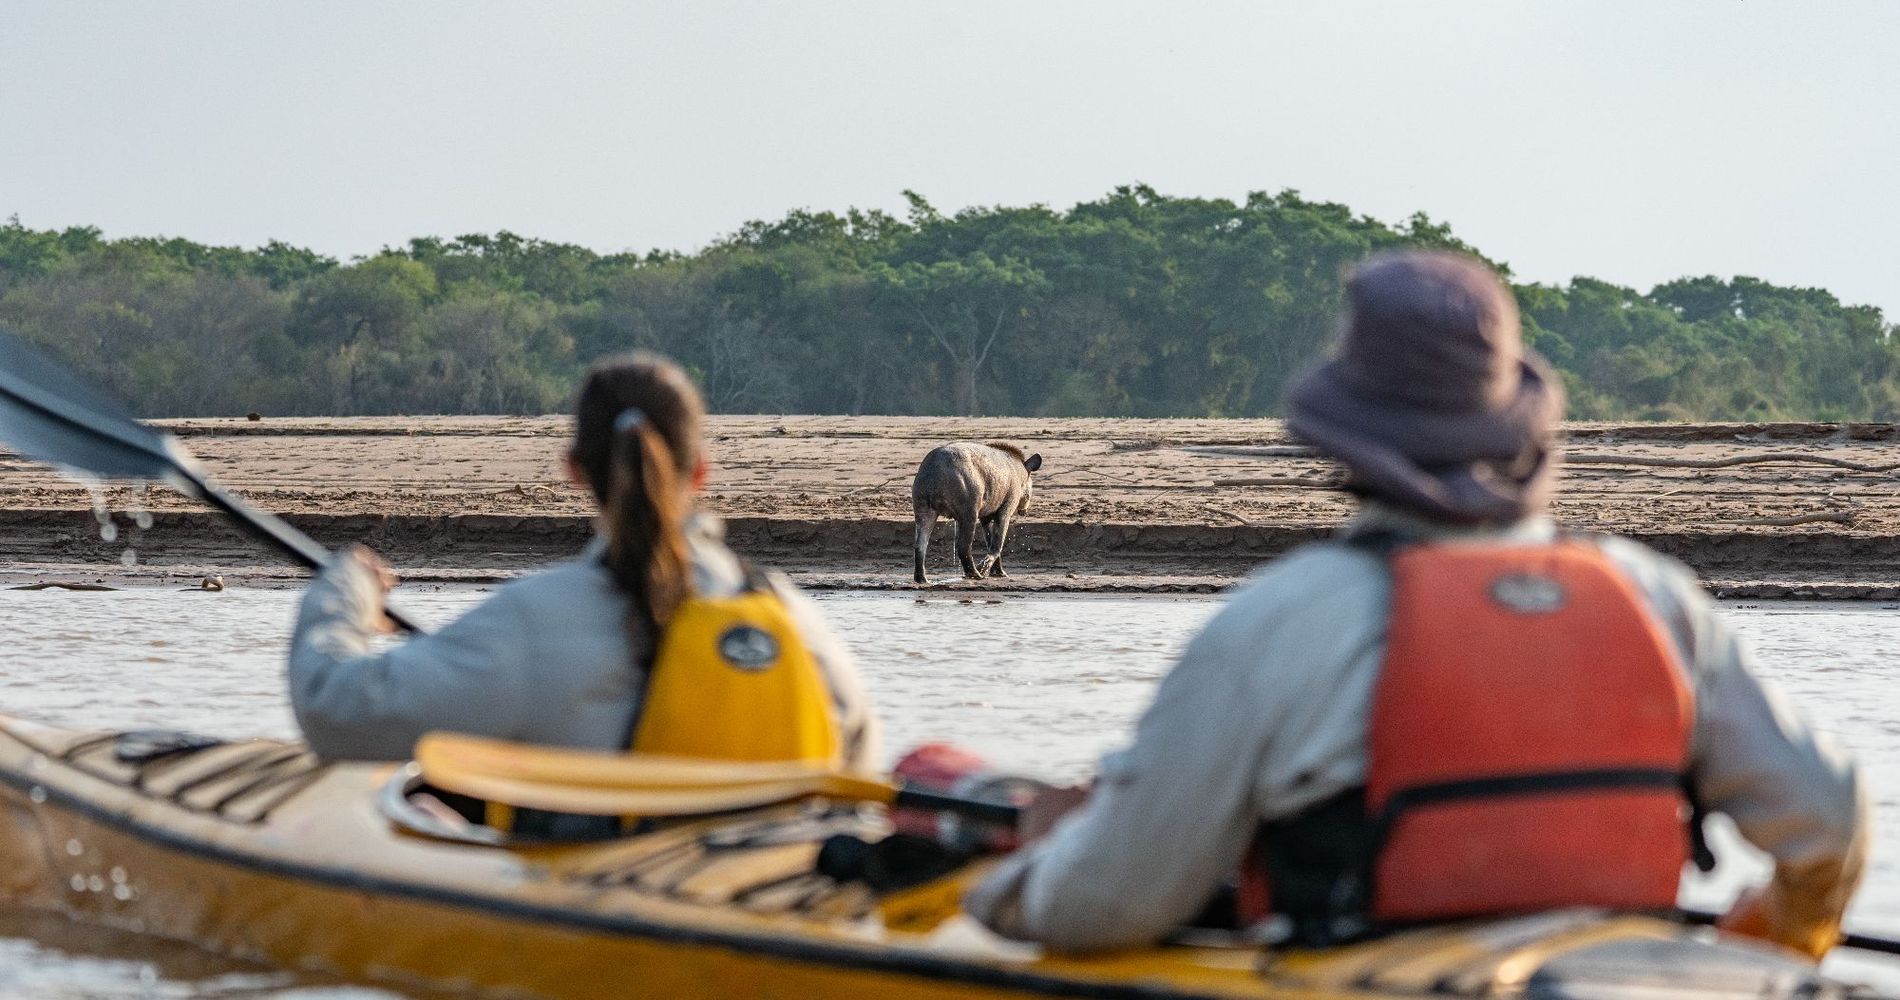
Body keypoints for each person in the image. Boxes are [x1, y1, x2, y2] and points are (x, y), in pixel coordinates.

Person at [964, 251, 1865, 961]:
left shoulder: (1282, 622)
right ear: (1519, 426)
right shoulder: (1654, 597)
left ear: (1344, 438)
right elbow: (1828, 817)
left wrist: (1004, 883)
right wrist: (1777, 939)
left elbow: (1108, 905)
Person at [287, 352, 879, 776]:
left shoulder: (531, 622)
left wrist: (343, 598)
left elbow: (333, 710)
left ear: (574, 471)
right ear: (699, 471)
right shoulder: (784, 608)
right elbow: (855, 753)